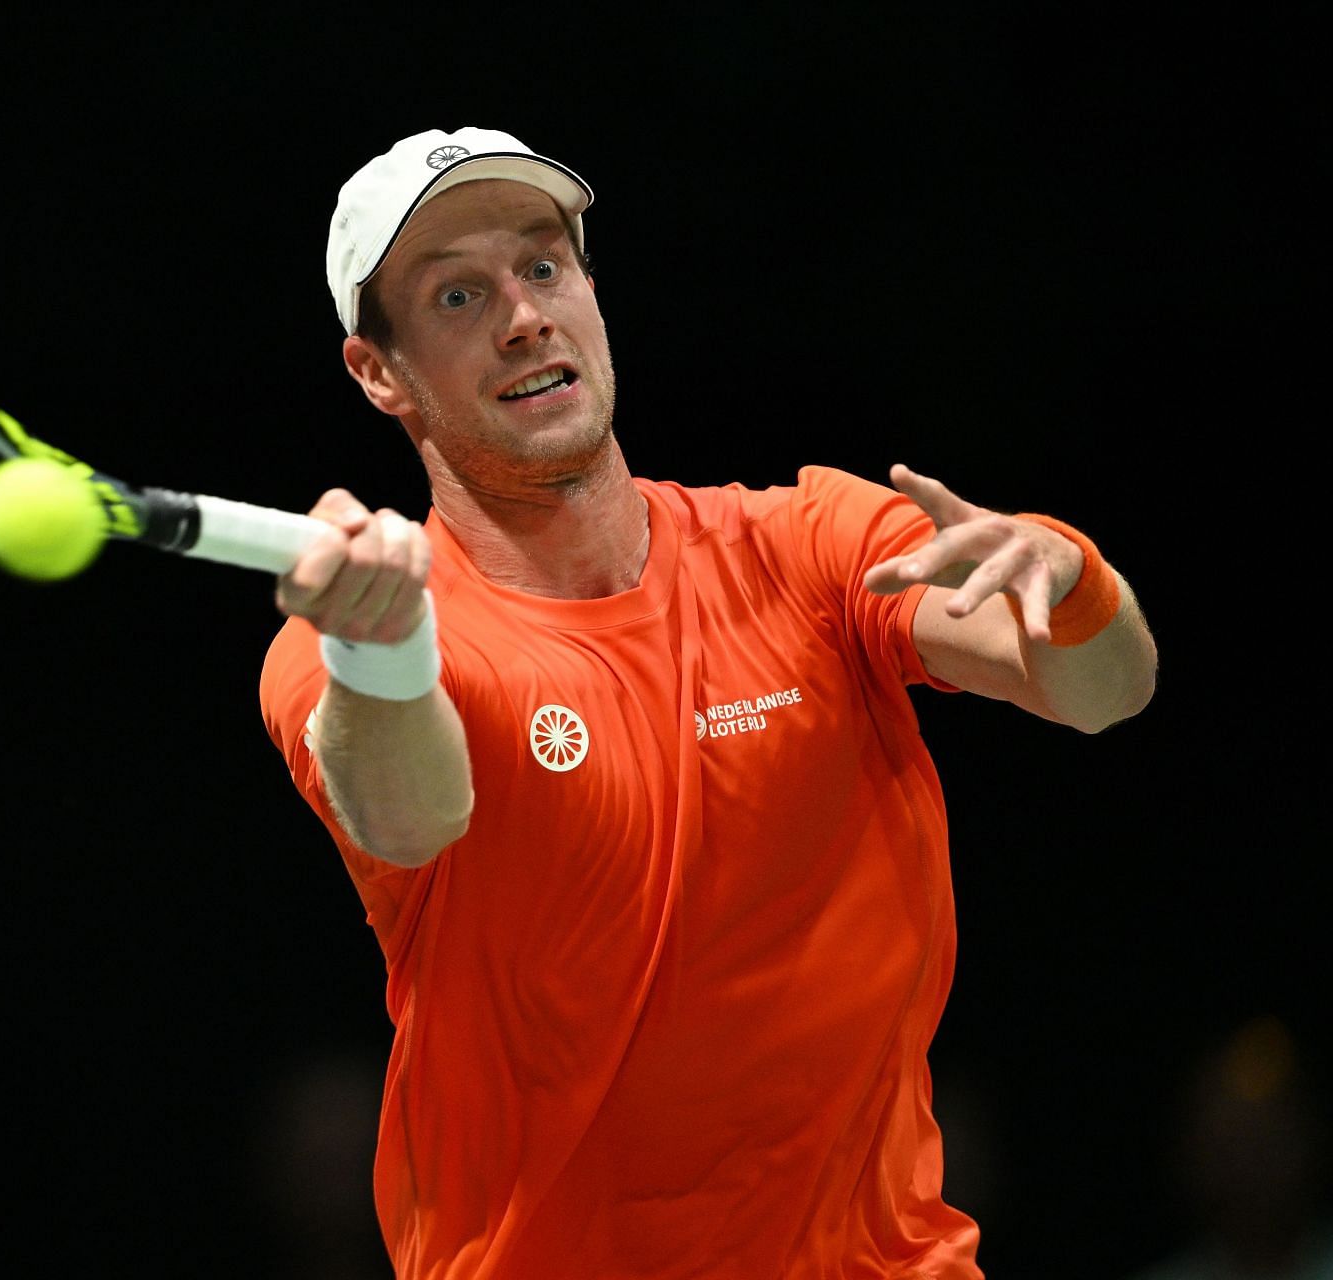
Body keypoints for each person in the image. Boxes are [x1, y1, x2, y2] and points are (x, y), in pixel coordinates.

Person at [257, 126, 1158, 1279]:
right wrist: (378, 650)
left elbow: (1104, 693)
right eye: (457, 293)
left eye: (544, 268)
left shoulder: (808, 545)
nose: (524, 315)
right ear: (379, 372)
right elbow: (411, 814)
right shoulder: (349, 648)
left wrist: (1070, 578)